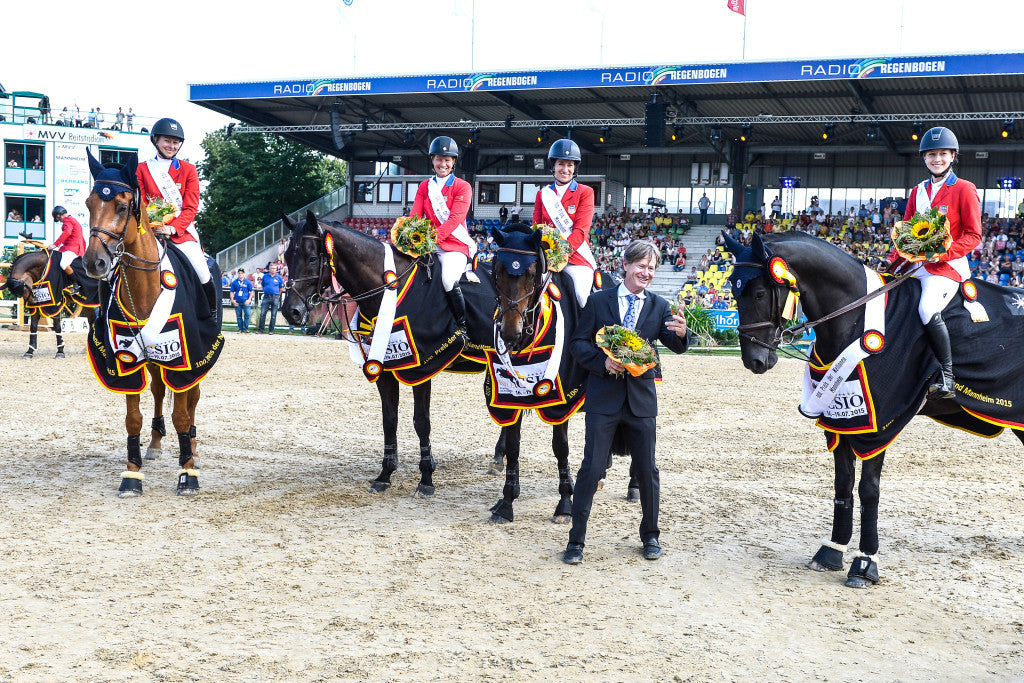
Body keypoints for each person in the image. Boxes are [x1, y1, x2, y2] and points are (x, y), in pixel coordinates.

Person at [563, 240, 689, 565]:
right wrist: (601, 362)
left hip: (641, 402)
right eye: (641, 266)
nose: (646, 272)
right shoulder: (597, 301)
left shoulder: (659, 306)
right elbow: (577, 342)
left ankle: (650, 536)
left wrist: (682, 333)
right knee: (591, 469)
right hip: (603, 398)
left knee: (647, 470)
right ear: (626, 264)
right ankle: (576, 541)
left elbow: (675, 345)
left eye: (651, 268)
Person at [882, 126, 981, 399]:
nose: (937, 159)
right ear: (925, 158)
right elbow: (907, 235)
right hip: (916, 266)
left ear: (952, 156)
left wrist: (942, 254)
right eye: (932, 155)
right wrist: (890, 261)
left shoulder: (964, 189)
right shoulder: (917, 191)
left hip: (948, 268)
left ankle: (947, 376)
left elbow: (974, 235)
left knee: (926, 308)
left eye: (943, 154)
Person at [136, 117, 219, 318]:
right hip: (148, 230)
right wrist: (153, 224)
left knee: (201, 269)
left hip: (180, 231)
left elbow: (191, 207)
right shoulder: (142, 168)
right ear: (156, 140)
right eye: (167, 141)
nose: (171, 146)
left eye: (175, 142)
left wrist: (171, 228)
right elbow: (140, 202)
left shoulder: (188, 169)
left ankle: (210, 313)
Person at [410, 136, 475, 332]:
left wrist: (431, 239)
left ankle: (462, 325)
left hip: (454, 245)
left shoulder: (463, 186)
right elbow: (415, 216)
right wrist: (410, 236)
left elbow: (454, 220)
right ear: (432, 160)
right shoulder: (424, 186)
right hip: (428, 244)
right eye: (439, 159)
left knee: (448, 279)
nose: (443, 164)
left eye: (447, 160)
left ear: (454, 162)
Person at [533, 138, 597, 307]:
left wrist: (559, 256)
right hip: (545, 257)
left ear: (575, 167)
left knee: (582, 296)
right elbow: (536, 228)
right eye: (561, 163)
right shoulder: (543, 194)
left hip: (575, 258)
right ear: (553, 165)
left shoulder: (585, 192)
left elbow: (581, 231)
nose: (565, 169)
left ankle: (585, 333)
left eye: (570, 165)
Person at [48, 206, 86, 277]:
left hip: (73, 248)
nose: (59, 221)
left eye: (58, 218)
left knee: (63, 264)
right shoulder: (72, 219)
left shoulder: (67, 220)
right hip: (76, 247)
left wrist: (55, 244)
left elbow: (67, 232)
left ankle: (75, 283)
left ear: (59, 215)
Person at [256, 262, 285, 334]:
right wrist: (267, 291)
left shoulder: (279, 277)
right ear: (269, 269)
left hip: (275, 297)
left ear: (276, 269)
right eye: (272, 268)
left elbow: (281, 287)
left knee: (273, 315)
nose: (273, 269)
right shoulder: (265, 276)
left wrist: (278, 294)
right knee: (262, 314)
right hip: (266, 297)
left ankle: (271, 330)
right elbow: (263, 286)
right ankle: (261, 330)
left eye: (275, 268)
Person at [230, 268, 254, 333]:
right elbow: (232, 291)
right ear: (238, 274)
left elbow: (252, 291)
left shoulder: (248, 282)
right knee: (239, 316)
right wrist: (232, 300)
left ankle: (245, 329)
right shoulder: (235, 282)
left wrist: (249, 300)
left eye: (242, 273)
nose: (240, 274)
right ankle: (240, 329)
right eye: (239, 273)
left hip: (245, 301)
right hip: (237, 301)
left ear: (244, 274)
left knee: (247, 314)